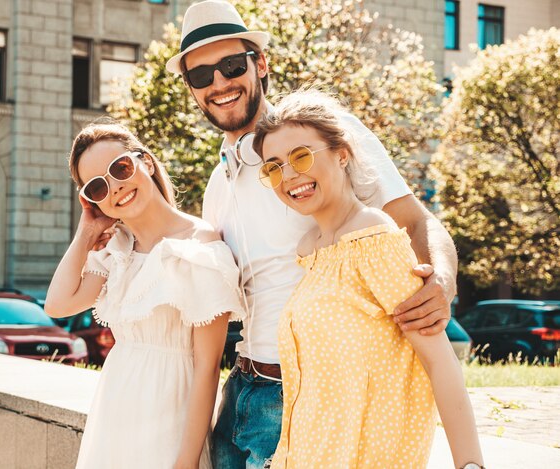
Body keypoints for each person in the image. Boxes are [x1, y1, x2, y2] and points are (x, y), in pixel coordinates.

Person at [165, 1, 458, 466]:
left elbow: (417, 220)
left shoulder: (323, 140)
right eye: (202, 76)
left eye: (231, 66)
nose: (219, 84)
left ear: (260, 65)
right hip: (239, 392)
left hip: (310, 394)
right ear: (192, 90)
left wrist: (442, 278)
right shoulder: (217, 187)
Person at [252, 89, 484, 469]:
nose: (289, 175)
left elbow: (439, 360)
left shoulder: (373, 234)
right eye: (273, 166)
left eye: (301, 156)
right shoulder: (309, 250)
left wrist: (470, 463)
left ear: (342, 154)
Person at [43, 122, 245, 469]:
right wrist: (88, 230)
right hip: (115, 417)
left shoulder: (199, 245)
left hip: (172, 417)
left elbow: (207, 367)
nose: (116, 187)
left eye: (120, 168)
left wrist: (187, 460)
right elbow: (58, 304)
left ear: (146, 163)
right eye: (97, 187)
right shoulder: (118, 250)